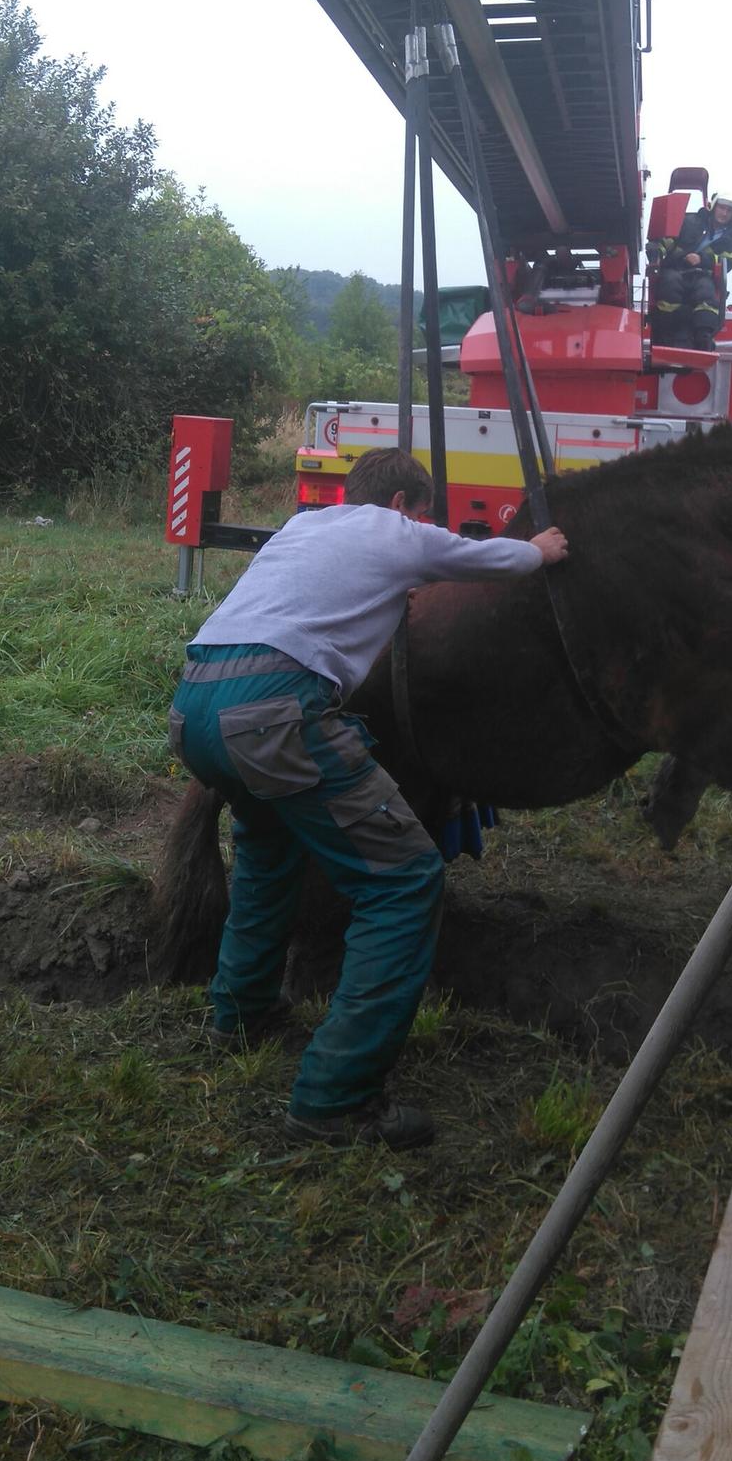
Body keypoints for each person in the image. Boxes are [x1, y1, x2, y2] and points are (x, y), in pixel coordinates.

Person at [167, 447, 569, 1151]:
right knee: (403, 880)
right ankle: (336, 1097)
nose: (420, 526)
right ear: (402, 505)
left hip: (195, 706)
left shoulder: (303, 527)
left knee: (268, 851)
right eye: (421, 514)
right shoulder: (395, 529)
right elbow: (485, 560)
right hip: (272, 715)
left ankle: (242, 1013)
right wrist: (540, 549)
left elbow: (321, 604)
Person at [652, 190, 732, 351]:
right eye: (722, 208)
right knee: (669, 284)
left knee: (706, 292)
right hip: (676, 268)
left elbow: (728, 262)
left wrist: (702, 259)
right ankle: (664, 337)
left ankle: (703, 339)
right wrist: (656, 253)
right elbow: (667, 240)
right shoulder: (688, 221)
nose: (724, 213)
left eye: (729, 211)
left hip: (704, 274)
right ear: (714, 206)